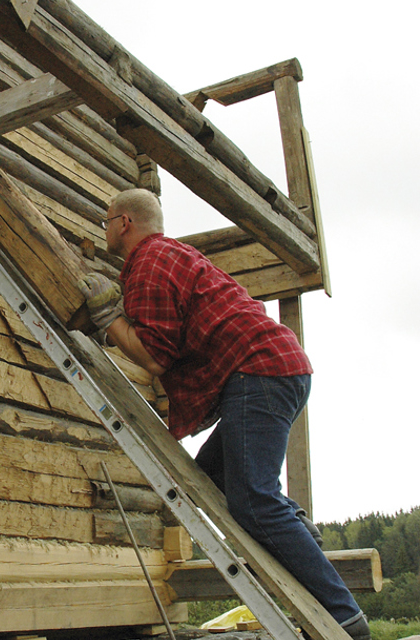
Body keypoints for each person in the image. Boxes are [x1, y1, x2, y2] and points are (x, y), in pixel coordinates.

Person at [78, 188, 370, 640]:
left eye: (106, 219)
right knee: (212, 475)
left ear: (124, 223)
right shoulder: (172, 255)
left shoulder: (149, 264)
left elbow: (154, 358)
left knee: (253, 501)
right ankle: (298, 530)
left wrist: (107, 316)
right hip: (274, 368)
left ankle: (346, 622)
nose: (104, 228)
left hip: (259, 372)